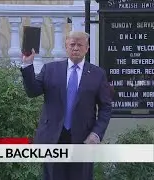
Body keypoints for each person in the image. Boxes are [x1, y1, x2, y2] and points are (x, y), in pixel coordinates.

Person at [20, 31, 112, 180]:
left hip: (83, 139)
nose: (75, 48)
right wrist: (28, 64)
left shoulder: (97, 74)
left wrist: (96, 133)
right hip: (53, 138)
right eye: (72, 44)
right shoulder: (50, 69)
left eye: (80, 45)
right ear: (66, 47)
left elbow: (105, 108)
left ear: (87, 48)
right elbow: (32, 91)